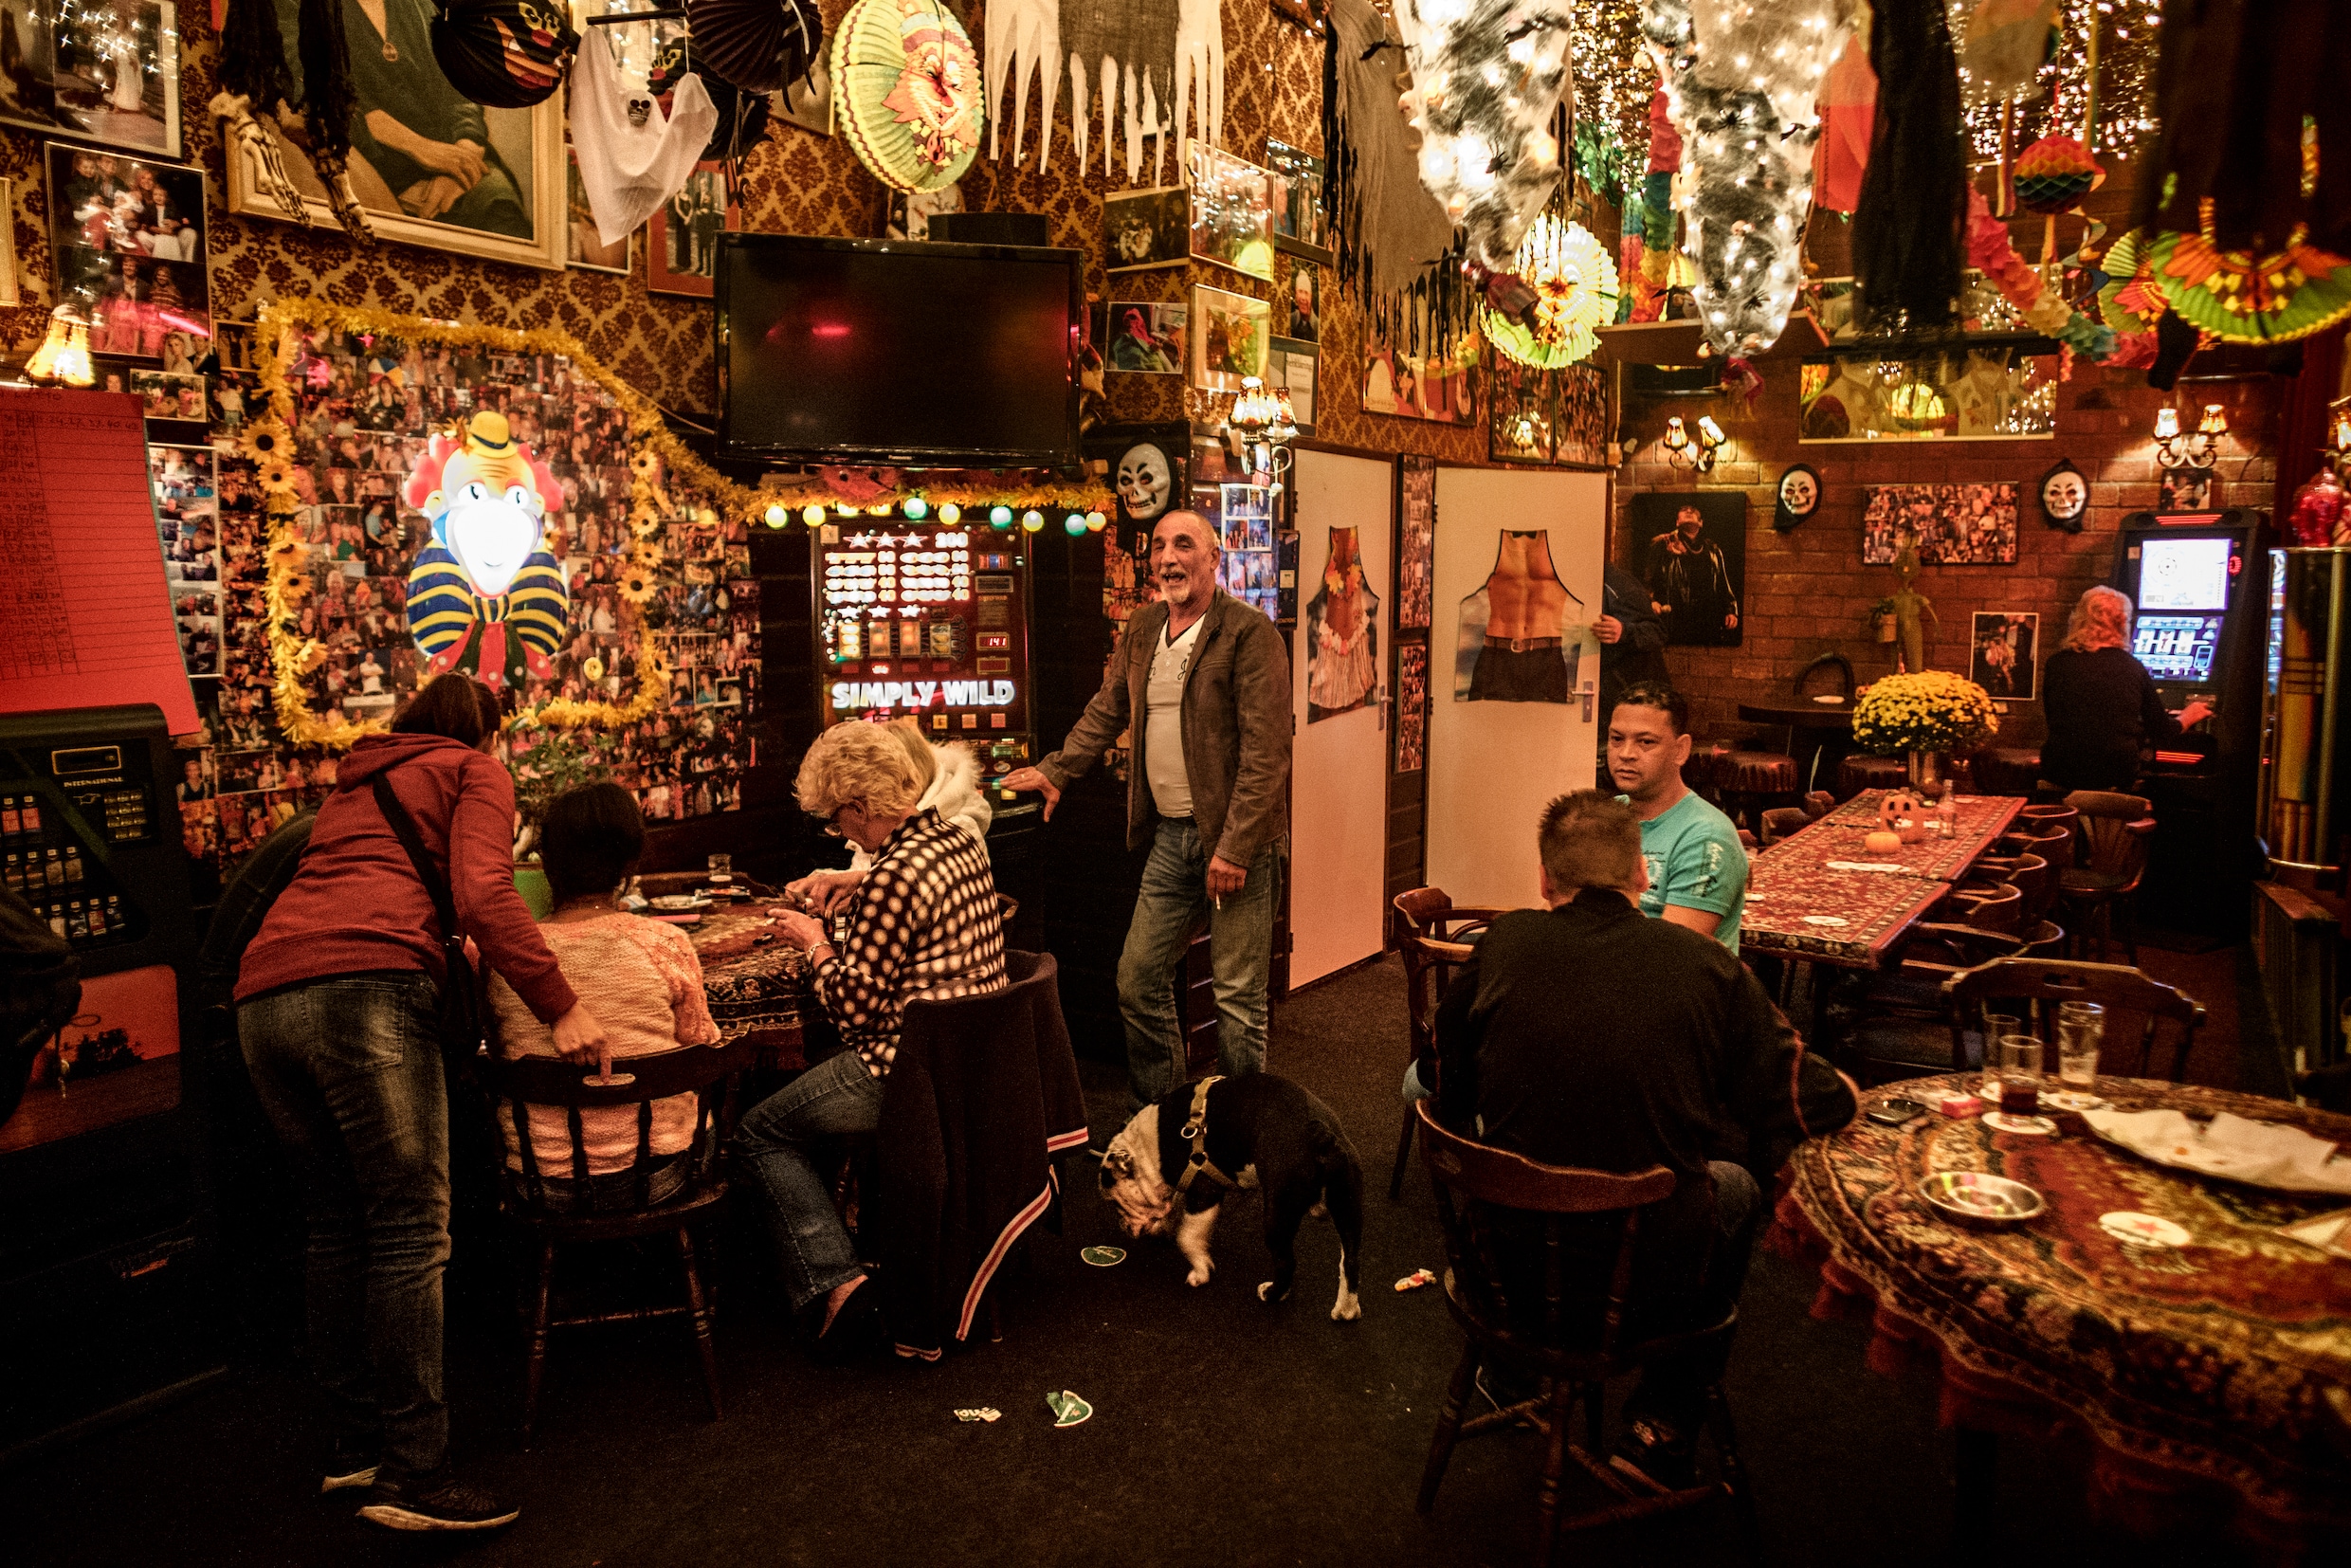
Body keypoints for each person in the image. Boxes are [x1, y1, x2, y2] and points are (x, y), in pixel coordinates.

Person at [233, 673, 608, 1533]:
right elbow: (483, 895)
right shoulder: (473, 769)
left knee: (336, 1225)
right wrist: (563, 1004)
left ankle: (356, 1446)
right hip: (366, 987)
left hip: (262, 999)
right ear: (485, 730)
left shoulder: (355, 784)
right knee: (409, 1229)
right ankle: (416, 1473)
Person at [1433, 790, 1856, 1488]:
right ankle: (1660, 1423)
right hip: (1644, 1276)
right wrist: (1850, 1093)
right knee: (1738, 1185)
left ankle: (1510, 1373)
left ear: (1545, 879)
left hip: (1503, 1264)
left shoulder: (1503, 942)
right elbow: (1793, 1100)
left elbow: (1444, 1073)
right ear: (1642, 876)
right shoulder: (1705, 968)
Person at [1000, 509, 1291, 1115]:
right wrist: (1057, 769)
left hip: (1235, 842)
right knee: (1137, 980)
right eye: (1159, 546)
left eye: (1184, 545)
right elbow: (1108, 709)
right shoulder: (1142, 627)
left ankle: (1242, 1133)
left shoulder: (1248, 633)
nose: (1167, 558)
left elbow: (1267, 754)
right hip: (1170, 838)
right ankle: (1170, 1123)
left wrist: (1234, 847)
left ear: (1215, 558)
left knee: (1238, 999)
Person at [734, 722, 1007, 1350]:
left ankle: (838, 1280)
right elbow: (912, 899)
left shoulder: (892, 876)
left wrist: (814, 942)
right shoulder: (958, 843)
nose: (838, 832)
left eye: (836, 821)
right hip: (969, 1062)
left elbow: (853, 1011)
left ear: (859, 807)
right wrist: (853, 887)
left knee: (757, 1131)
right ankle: (854, 1230)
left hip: (903, 1073)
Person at [485, 784, 719, 1212]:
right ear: (629, 862)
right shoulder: (666, 942)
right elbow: (701, 1048)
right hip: (657, 1177)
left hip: (541, 1183)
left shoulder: (507, 959)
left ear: (545, 863)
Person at [785, 718, 991, 916]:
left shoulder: (955, 828)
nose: (843, 833)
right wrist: (834, 882)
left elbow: (903, 882)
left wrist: (814, 942)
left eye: (835, 822)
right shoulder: (941, 833)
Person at [1606, 683, 1747, 952]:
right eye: (1617, 739)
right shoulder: (1604, 819)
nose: (1626, 754)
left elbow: (1670, 954)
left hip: (1670, 988)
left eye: (1646, 742)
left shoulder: (1707, 836)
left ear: (1681, 750)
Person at [2041, 585, 2212, 791]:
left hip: (2059, 771)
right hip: (2114, 775)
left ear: (2078, 620)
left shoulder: (2057, 664)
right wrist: (2188, 715)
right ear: (2123, 624)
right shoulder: (2132, 667)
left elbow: (2057, 721)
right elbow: (2162, 731)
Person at [1644, 502, 1740, 645]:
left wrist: (1730, 609)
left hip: (1705, 620)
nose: (1689, 510)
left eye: (1693, 511)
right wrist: (1651, 601)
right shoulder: (1662, 544)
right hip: (1674, 619)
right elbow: (1647, 578)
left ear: (1701, 523)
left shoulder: (1712, 549)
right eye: (1684, 510)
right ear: (1677, 522)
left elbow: (1722, 582)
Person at [1595, 560, 1668, 732]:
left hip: (1638, 700)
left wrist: (1624, 631)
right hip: (1613, 699)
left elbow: (1657, 632)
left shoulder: (1618, 584)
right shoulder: (1586, 584)